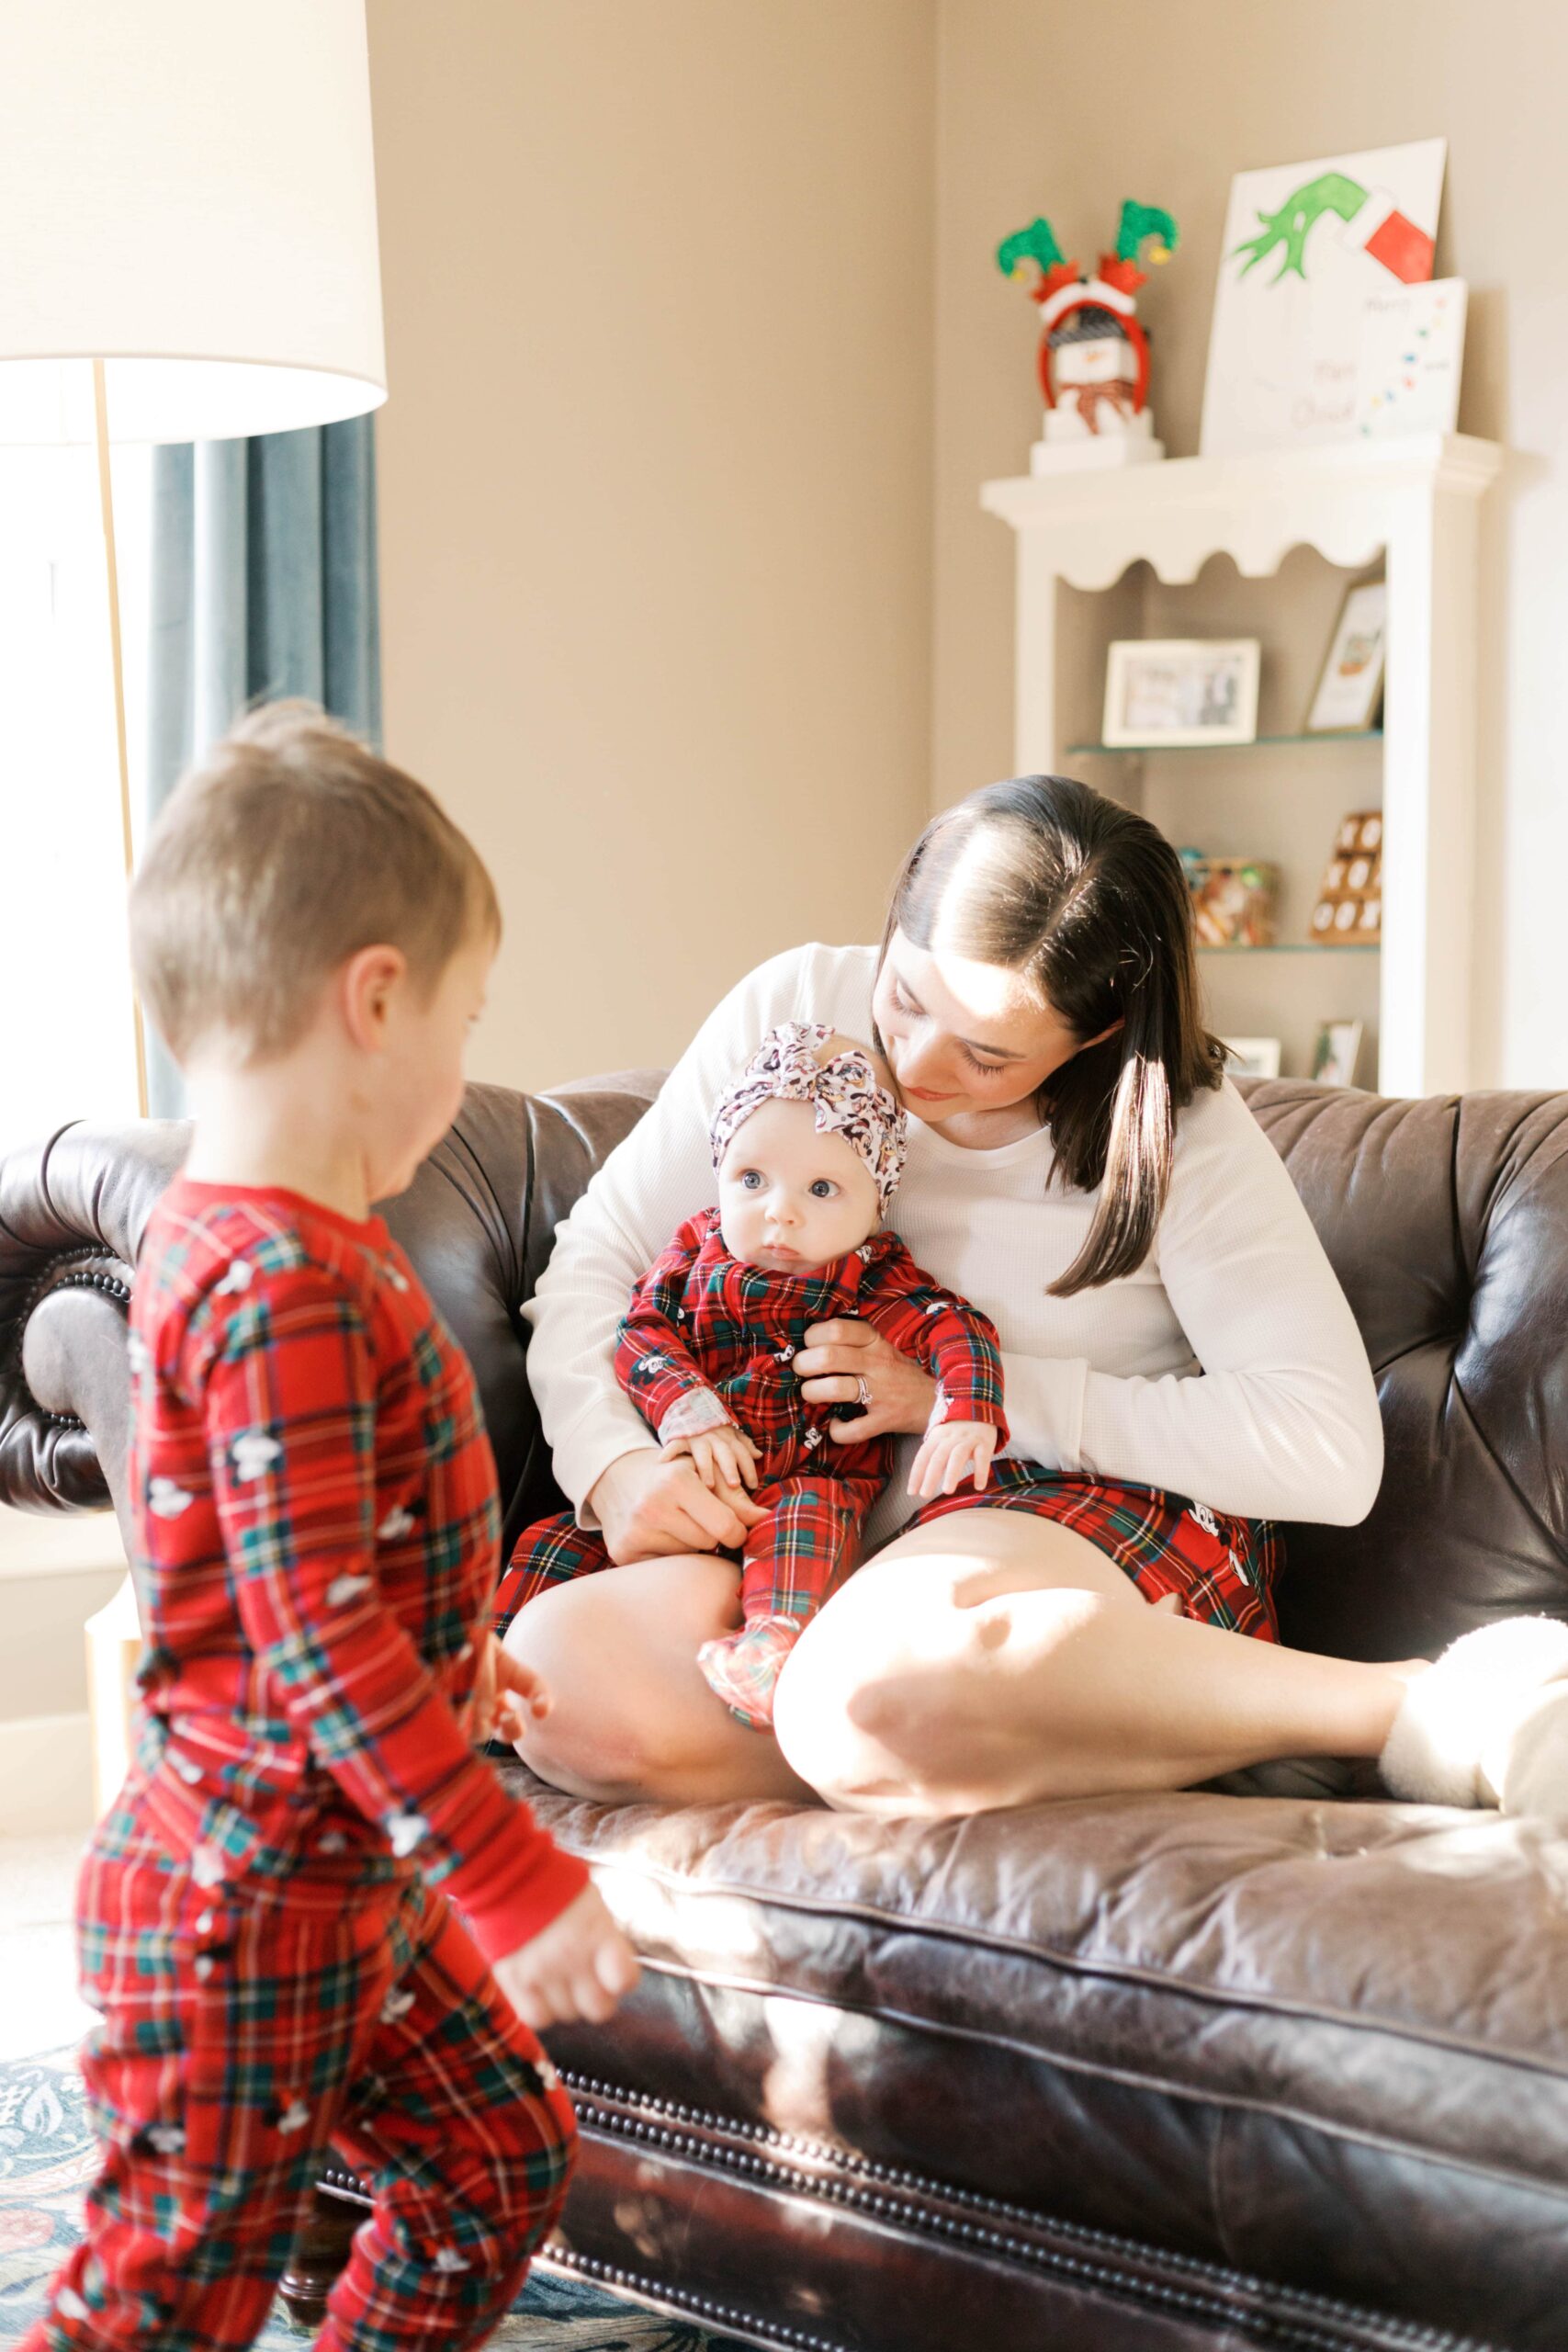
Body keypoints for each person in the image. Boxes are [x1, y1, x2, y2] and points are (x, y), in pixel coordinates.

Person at [502, 775, 1568, 1822]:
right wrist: (613, 1466)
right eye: (908, 998)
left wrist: (978, 1397)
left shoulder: (1175, 1130)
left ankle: (1419, 1699)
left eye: (989, 1053)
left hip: (1060, 1505)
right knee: (563, 1685)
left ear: (1094, 1034)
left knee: (860, 1700)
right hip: (809, 1512)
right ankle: (1053, 1725)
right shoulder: (796, 1009)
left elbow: (1329, 1451)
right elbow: (598, 1260)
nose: (916, 1063)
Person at [24, 705, 637, 2352]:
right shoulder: (275, 1280)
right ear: (375, 999)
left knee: (494, 2156)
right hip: (242, 1907)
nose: (460, 1063)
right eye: (462, 1017)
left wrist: (466, 1659)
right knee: (162, 2298)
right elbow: (310, 1633)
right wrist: (514, 1879)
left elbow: (314, 1563)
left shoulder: (290, 1240)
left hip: (345, 1870)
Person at [495, 1021, 1008, 1729]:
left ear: (874, 1203)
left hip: (803, 1483)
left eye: (821, 1188)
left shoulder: (873, 1276)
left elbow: (957, 1327)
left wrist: (967, 1406)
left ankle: (770, 1651)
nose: (779, 1213)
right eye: (751, 1179)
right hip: (690, 1479)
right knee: (549, 1540)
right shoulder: (696, 1251)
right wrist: (687, 1408)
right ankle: (476, 1681)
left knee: (810, 1525)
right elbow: (640, 1332)